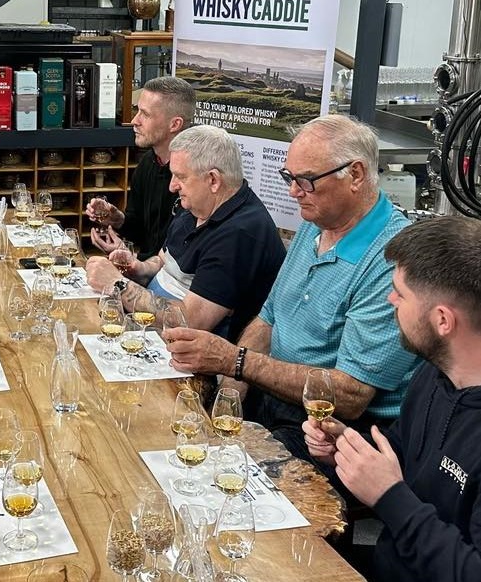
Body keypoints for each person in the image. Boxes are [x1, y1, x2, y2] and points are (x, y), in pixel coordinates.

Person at [166, 115, 422, 458]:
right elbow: (268, 319)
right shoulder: (317, 223)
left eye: (306, 180)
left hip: (329, 430)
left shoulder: (392, 258)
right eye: (289, 177)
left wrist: (236, 362)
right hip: (268, 395)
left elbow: (350, 394)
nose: (293, 191)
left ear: (356, 175)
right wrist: (229, 395)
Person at [304, 216, 481, 582]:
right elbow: (401, 451)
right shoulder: (433, 372)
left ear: (443, 320)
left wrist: (388, 495)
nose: (390, 300)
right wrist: (349, 449)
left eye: (401, 293)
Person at [86, 125, 285, 341]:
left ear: (213, 180)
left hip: (188, 355)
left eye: (180, 177)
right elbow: (163, 261)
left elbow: (191, 321)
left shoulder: (240, 233)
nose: (172, 186)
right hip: (149, 328)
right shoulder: (198, 204)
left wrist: (118, 284)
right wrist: (138, 268)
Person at [85, 75, 195, 261]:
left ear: (175, 124)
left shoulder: (195, 177)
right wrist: (117, 220)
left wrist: (131, 261)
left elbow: (180, 257)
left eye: (145, 114)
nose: (135, 120)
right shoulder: (147, 163)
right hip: (147, 271)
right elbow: (139, 232)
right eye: (137, 111)